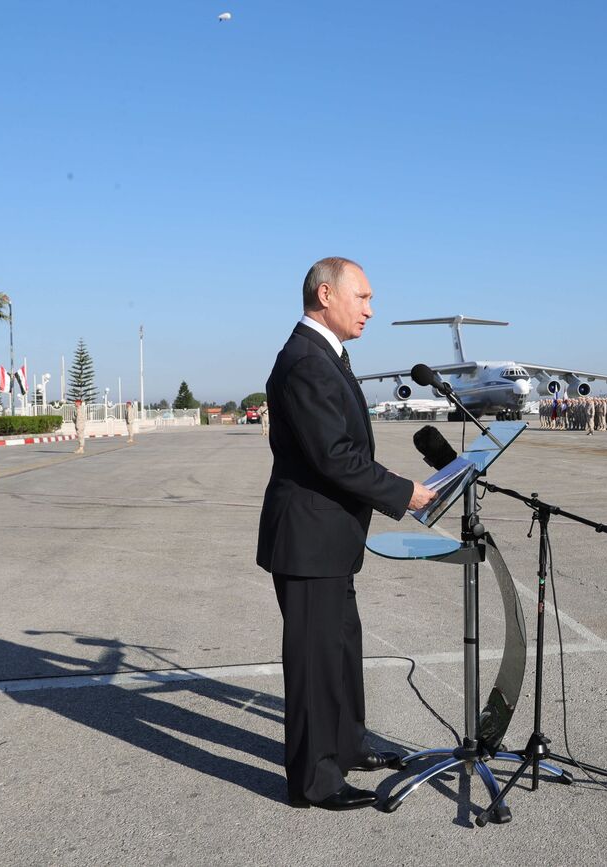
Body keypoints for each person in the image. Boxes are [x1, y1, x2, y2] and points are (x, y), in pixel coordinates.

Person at [256, 257, 437, 811]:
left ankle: (349, 742)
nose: (370, 309)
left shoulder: (326, 355)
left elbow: (344, 450)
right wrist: (401, 491)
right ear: (326, 294)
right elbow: (334, 456)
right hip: (309, 539)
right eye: (363, 297)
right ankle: (315, 779)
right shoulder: (305, 361)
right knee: (314, 661)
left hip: (330, 538)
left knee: (341, 649)